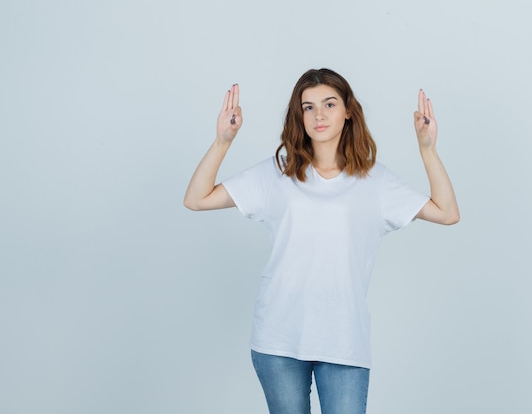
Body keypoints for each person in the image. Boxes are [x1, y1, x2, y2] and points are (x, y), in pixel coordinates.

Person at [184, 68, 459, 414]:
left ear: (347, 111)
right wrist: (223, 141)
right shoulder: (277, 172)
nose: (319, 115)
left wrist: (427, 150)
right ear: (299, 116)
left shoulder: (375, 182)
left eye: (329, 104)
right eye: (308, 106)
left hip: (343, 341)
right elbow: (196, 199)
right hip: (279, 339)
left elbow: (447, 212)